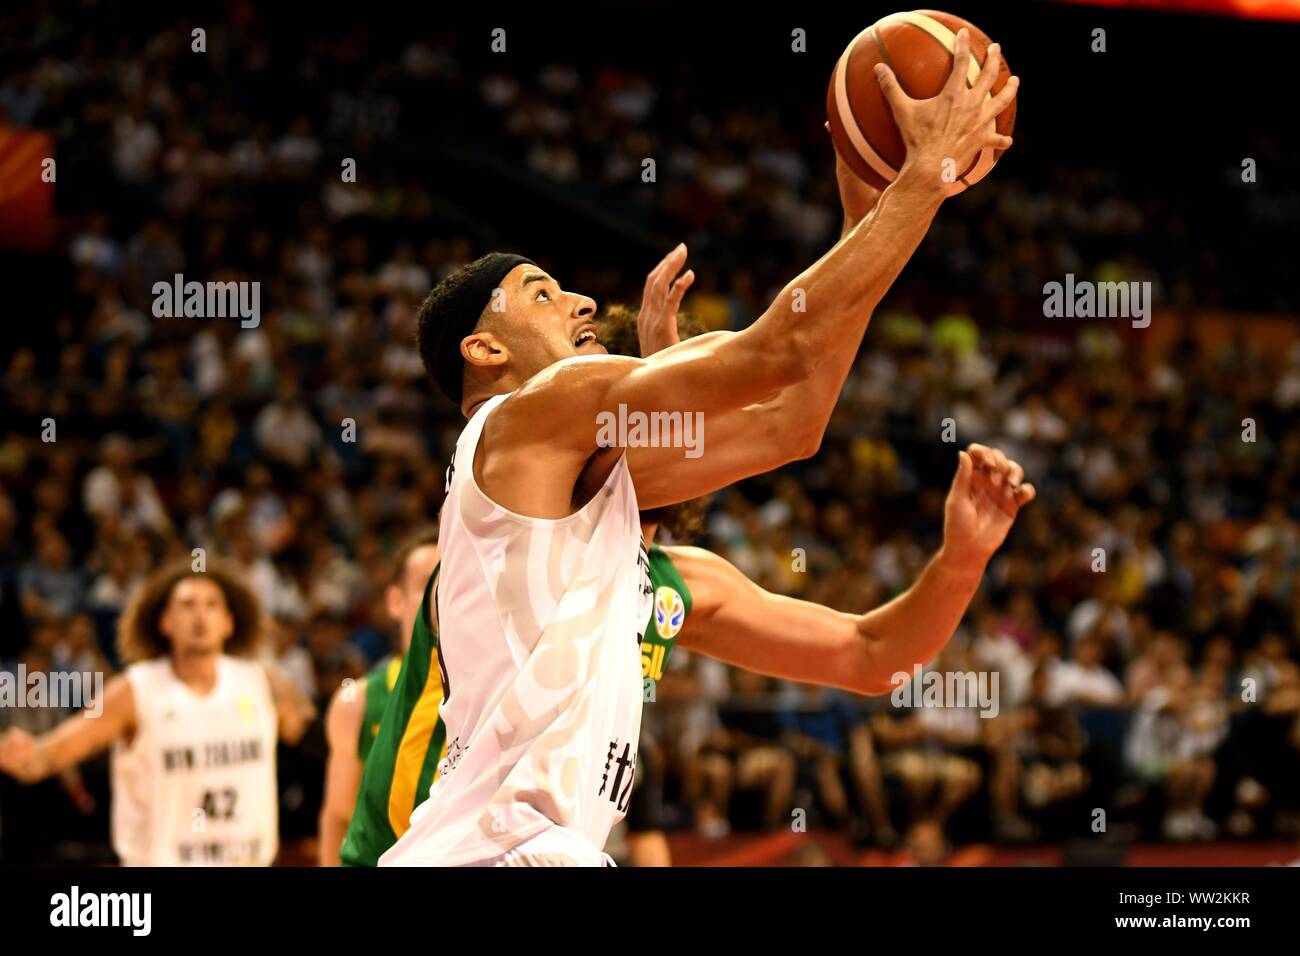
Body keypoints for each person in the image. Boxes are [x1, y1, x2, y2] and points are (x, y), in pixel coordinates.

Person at [380, 37, 1019, 866]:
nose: (578, 299)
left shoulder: (581, 488)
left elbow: (793, 423)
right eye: (541, 292)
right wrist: (921, 180)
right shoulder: (526, 417)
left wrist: (868, 214)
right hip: (498, 852)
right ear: (484, 351)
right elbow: (771, 354)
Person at [0, 560, 315, 865]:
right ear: (165, 621)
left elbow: (321, 739)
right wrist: (27, 755)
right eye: (187, 605)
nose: (200, 614)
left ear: (229, 622)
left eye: (211, 604)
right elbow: (55, 751)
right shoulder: (133, 691)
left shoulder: (264, 684)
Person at [318, 529, 440, 866]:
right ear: (395, 602)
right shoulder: (356, 702)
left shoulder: (499, 692)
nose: (442, 594)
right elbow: (339, 816)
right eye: (428, 584)